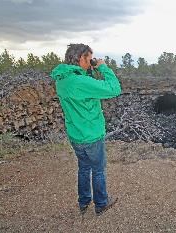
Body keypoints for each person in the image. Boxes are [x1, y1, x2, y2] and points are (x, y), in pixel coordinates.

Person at [50, 44, 121, 216]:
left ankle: (83, 202)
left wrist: (89, 70)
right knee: (98, 170)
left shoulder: (62, 79)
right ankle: (101, 203)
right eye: (89, 58)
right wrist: (103, 67)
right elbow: (115, 89)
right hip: (91, 134)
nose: (92, 61)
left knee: (83, 168)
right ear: (81, 58)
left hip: (75, 135)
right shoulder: (80, 82)